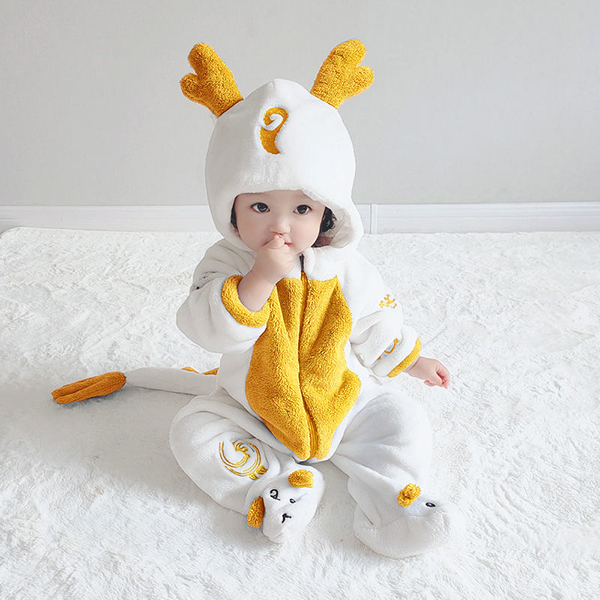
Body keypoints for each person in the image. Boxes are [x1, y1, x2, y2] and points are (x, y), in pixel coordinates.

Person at [168, 39, 461, 558]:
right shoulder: (226, 262)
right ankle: (278, 487)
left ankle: (396, 503)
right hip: (252, 411)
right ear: (231, 209)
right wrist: (258, 279)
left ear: (328, 212)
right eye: (260, 207)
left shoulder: (344, 266)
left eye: (302, 209)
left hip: (343, 404)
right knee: (191, 431)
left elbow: (375, 320)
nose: (281, 226)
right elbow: (203, 327)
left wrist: (411, 359)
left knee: (403, 419)